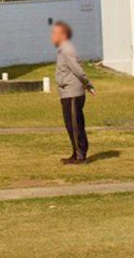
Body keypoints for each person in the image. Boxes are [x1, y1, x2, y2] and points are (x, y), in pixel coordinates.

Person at [52, 20, 95, 164]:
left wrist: (87, 84)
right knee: (71, 125)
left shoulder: (67, 49)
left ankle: (81, 155)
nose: (52, 35)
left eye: (55, 33)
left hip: (72, 93)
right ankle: (76, 153)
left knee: (75, 125)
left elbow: (78, 70)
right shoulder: (63, 49)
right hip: (67, 92)